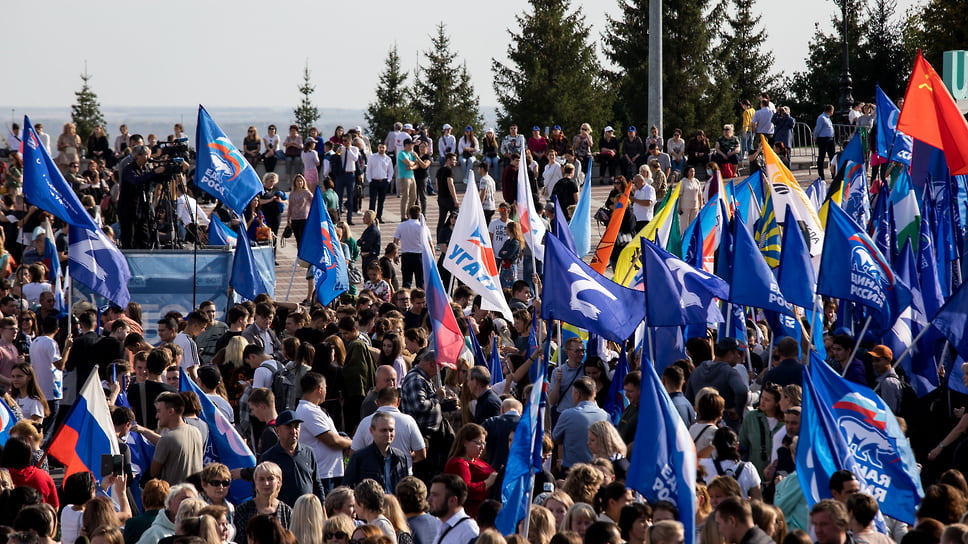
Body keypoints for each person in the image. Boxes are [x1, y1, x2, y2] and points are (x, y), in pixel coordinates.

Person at [295, 372, 351, 495]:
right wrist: (352, 443)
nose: (326, 391)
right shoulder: (308, 411)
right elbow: (332, 441)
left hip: (330, 472)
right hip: (324, 474)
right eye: (325, 387)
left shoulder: (315, 409)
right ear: (319, 389)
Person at [684, 338, 750, 430]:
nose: (739, 356)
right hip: (726, 428)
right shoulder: (729, 372)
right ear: (730, 353)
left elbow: (688, 399)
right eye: (737, 353)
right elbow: (741, 391)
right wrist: (737, 410)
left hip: (702, 428)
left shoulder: (697, 371)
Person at [344, 411, 411, 492]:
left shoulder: (400, 457)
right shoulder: (359, 458)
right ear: (372, 430)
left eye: (391, 430)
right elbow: (348, 487)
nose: (388, 434)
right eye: (383, 430)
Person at [552, 377, 608, 474]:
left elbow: (555, 438)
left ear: (577, 395)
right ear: (594, 393)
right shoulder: (606, 416)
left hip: (572, 471)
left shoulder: (567, 415)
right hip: (597, 472)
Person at [149, 391, 204, 484]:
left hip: (174, 495)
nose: (156, 416)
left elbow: (153, 472)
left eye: (159, 411)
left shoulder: (166, 439)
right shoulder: (196, 431)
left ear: (171, 411)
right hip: (194, 493)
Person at [234, 462, 292, 544]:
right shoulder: (243, 510)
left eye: (270, 479)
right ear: (255, 482)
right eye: (261, 479)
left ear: (278, 481)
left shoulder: (287, 511)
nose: (266, 483)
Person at [428, 474, 479, 544]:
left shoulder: (468, 531)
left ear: (452, 500)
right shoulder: (440, 523)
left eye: (435, 495)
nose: (429, 500)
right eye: (430, 494)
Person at [394, 206, 426, 289]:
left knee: (406, 281)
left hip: (406, 255)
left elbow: (395, 241)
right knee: (420, 281)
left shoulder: (402, 225)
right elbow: (429, 243)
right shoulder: (422, 227)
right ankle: (421, 299)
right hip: (419, 256)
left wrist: (395, 254)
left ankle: (405, 298)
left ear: (409, 214)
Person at [367, 143, 394, 223]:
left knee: (381, 201)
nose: (381, 149)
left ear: (385, 148)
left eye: (383, 147)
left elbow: (390, 171)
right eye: (380, 147)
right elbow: (368, 169)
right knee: (372, 200)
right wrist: (369, 180)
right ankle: (371, 218)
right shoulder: (372, 157)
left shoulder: (388, 159)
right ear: (377, 148)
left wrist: (388, 180)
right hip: (374, 181)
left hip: (384, 181)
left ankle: (379, 217)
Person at [815, 105, 836, 181]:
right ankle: (821, 175)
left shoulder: (827, 118)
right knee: (822, 156)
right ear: (830, 110)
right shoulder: (822, 118)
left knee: (832, 157)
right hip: (823, 139)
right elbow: (818, 128)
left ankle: (834, 174)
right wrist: (815, 136)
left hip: (830, 139)